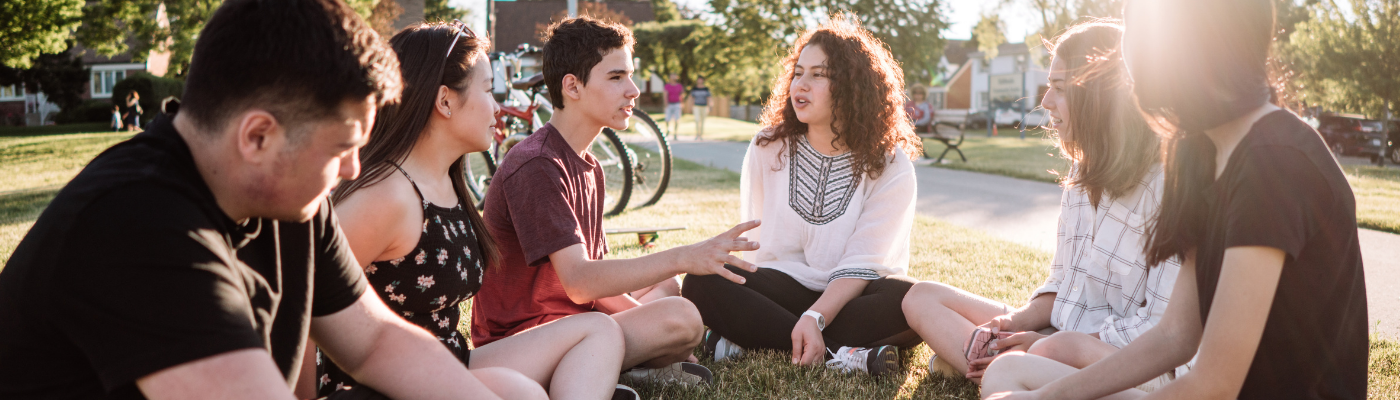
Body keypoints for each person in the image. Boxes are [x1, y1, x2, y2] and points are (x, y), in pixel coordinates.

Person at [0, 0, 546, 399]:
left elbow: (377, 340)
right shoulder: (138, 222)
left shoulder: (286, 196)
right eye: (340, 147)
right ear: (258, 136)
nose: (354, 169)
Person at [983, 1, 1368, 399]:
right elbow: (1175, 336)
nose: (1126, 61)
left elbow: (1213, 385)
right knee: (1006, 378)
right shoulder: (1198, 155)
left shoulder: (1273, 163)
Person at [304, 21, 631, 400]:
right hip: (379, 382)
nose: (497, 108)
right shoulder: (387, 195)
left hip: (449, 361)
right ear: (445, 101)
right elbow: (301, 299)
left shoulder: (445, 181)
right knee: (526, 395)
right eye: (489, 90)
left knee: (599, 330)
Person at [469, 16, 761, 386]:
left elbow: (596, 278)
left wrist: (650, 321)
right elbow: (579, 282)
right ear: (572, 86)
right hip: (525, 338)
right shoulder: (537, 163)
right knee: (681, 318)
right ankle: (615, 368)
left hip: (578, 320)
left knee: (670, 292)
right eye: (616, 77)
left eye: (631, 75)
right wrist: (683, 257)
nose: (634, 90)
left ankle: (621, 368)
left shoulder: (590, 166)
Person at [900, 20, 1184, 388]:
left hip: (1127, 361)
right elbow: (1063, 282)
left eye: (1059, 88)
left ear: (1101, 95)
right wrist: (1015, 323)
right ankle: (1003, 365)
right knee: (921, 298)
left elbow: (1161, 331)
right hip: (1060, 331)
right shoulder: (1082, 175)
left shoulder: (1168, 186)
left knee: (1046, 353)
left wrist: (1051, 346)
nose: (1045, 101)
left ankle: (1002, 367)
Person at [681, 14, 924, 377]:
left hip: (854, 293)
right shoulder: (768, 146)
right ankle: (844, 356)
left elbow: (865, 261)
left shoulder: (891, 164)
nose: (801, 84)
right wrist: (799, 311)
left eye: (818, 74)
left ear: (853, 86)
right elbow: (759, 247)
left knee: (910, 302)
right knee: (704, 280)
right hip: (782, 286)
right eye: (798, 72)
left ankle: (748, 339)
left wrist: (816, 315)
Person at [664, 73, 684, 138]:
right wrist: (666, 104)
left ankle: (675, 133)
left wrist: (682, 103)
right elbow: (665, 95)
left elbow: (681, 95)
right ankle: (668, 130)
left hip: (677, 104)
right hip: (669, 104)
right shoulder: (667, 86)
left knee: (677, 119)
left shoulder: (679, 86)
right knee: (667, 119)